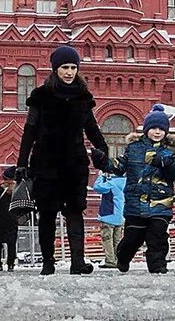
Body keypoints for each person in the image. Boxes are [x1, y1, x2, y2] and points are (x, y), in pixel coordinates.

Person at [16, 45, 107, 276]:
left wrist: (103, 149)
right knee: (47, 214)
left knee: (75, 212)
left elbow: (92, 128)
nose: (69, 72)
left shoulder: (83, 97)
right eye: (65, 67)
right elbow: (30, 130)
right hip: (46, 162)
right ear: (55, 69)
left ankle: (78, 261)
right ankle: (48, 261)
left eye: (73, 67)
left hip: (74, 163)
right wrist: (22, 163)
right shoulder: (41, 96)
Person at [96, 105, 175, 274]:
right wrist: (103, 161)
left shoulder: (170, 151)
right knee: (132, 238)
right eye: (153, 128)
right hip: (136, 204)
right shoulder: (134, 148)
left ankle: (158, 266)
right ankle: (123, 257)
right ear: (146, 129)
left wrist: (167, 164)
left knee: (157, 237)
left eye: (161, 129)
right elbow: (119, 166)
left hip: (160, 204)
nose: (157, 132)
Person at [91, 168, 125, 269]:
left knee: (107, 240)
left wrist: (101, 176)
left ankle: (110, 261)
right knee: (117, 240)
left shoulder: (111, 184)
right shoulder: (124, 182)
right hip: (119, 216)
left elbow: (97, 187)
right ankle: (118, 259)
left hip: (108, 215)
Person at [0, 169, 20, 272]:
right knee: (11, 242)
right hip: (12, 219)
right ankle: (11, 264)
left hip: (0, 219)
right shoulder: (17, 190)